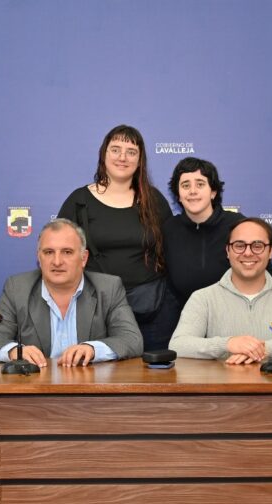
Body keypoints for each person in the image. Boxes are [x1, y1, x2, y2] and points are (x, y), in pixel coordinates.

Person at [56, 124, 175, 350]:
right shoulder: (79, 201)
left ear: (140, 161)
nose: (123, 157)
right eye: (115, 149)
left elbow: (171, 249)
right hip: (94, 308)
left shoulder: (155, 200)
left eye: (131, 152)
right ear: (104, 154)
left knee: (152, 379)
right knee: (97, 377)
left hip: (151, 309)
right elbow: (58, 252)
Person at [0, 218, 143, 367]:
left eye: (67, 252)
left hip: (90, 391)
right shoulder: (18, 288)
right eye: (49, 252)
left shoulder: (108, 288)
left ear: (83, 258)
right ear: (39, 258)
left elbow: (131, 339)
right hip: (35, 390)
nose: (57, 261)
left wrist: (92, 349)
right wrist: (14, 352)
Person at [169, 218, 272, 363]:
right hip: (220, 389)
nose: (248, 253)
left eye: (257, 246)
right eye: (239, 245)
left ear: (270, 252)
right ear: (228, 251)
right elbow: (178, 345)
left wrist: (262, 349)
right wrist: (227, 344)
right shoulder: (203, 298)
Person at [163, 157, 272, 307]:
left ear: (213, 192)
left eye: (200, 184)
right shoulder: (169, 229)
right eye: (185, 185)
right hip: (187, 318)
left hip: (235, 314)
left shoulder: (237, 225)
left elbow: (269, 275)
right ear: (178, 195)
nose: (193, 191)